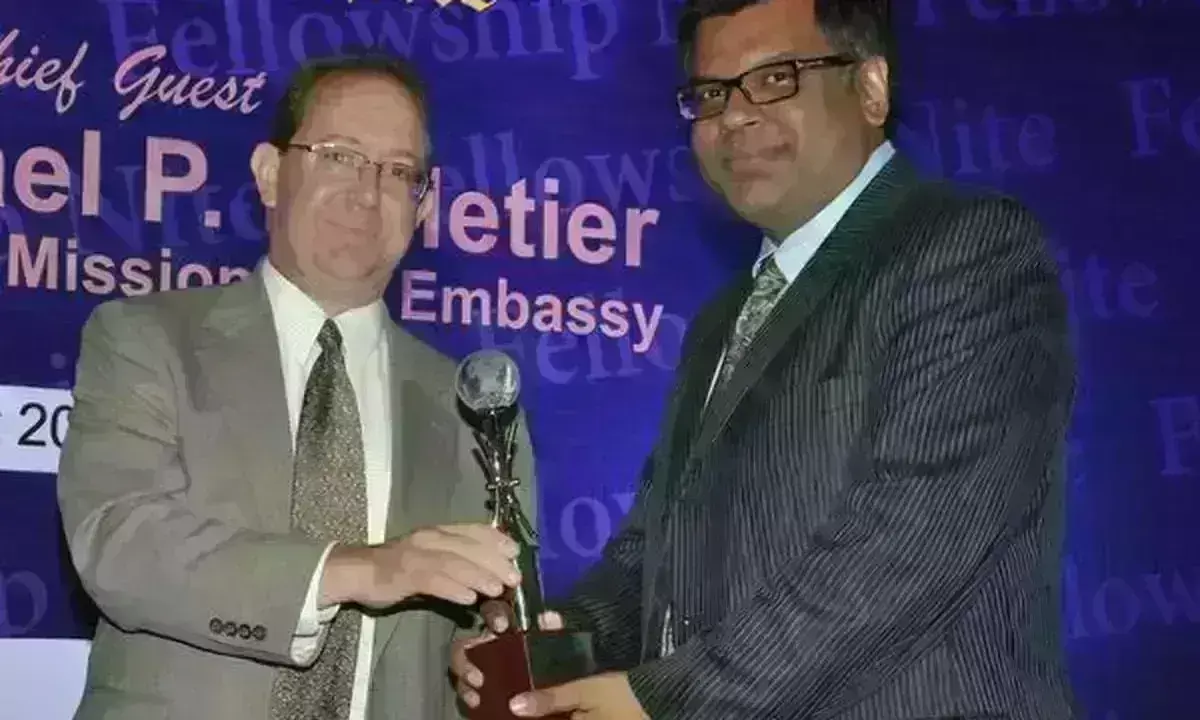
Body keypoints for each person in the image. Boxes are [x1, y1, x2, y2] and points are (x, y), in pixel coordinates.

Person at [451, 0, 1081, 718]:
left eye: (776, 78)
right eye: (711, 94)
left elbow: (913, 540)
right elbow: (657, 553)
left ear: (872, 88)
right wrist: (549, 640)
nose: (735, 117)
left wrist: (667, 701)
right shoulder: (722, 319)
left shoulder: (969, 249)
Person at [56, 53, 533, 720]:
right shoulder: (145, 340)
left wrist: (483, 657)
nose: (367, 192)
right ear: (270, 173)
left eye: (399, 171)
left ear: (424, 206)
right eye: (339, 157)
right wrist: (360, 568)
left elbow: (489, 629)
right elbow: (119, 545)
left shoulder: (473, 408)